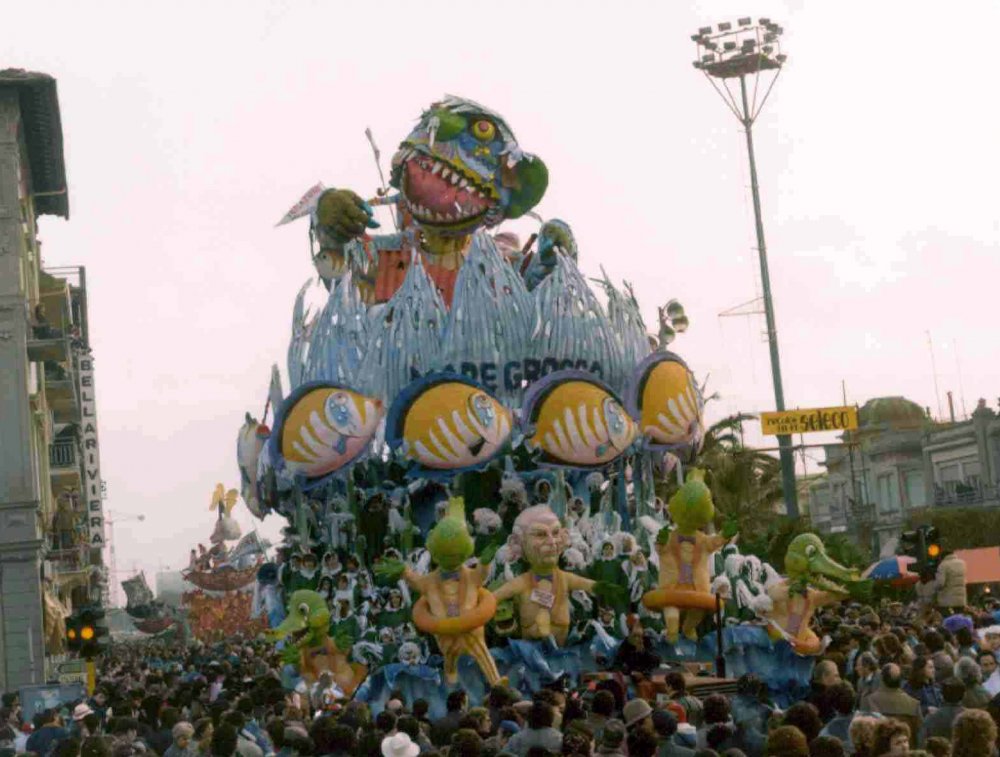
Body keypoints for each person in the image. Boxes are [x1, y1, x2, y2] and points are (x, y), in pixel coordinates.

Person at [862, 664, 922, 742]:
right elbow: (920, 734)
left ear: (882, 678)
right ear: (900, 680)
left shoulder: (870, 700)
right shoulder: (914, 704)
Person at [919, 677, 966, 744]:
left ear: (941, 695)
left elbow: (922, 742)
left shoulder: (931, 718)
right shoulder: (970, 718)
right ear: (964, 695)